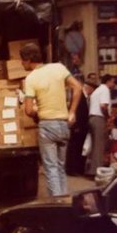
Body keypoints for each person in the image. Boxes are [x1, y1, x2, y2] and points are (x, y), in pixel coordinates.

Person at [21, 43, 82, 196]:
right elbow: (78, 87)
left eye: (22, 60)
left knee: (51, 168)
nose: (22, 64)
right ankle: (64, 200)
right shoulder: (59, 68)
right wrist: (72, 112)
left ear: (29, 60)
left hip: (47, 125)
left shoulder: (31, 79)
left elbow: (28, 110)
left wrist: (37, 110)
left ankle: (57, 205)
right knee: (61, 167)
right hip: (63, 124)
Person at [65, 74, 97, 176]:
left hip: (80, 125)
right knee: (75, 148)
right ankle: (72, 169)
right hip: (78, 125)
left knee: (77, 147)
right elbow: (77, 111)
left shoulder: (81, 94)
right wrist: (76, 125)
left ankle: (76, 168)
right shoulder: (79, 95)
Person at [88, 74, 116, 177]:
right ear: (108, 81)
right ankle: (96, 171)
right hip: (99, 118)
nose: (114, 84)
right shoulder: (105, 90)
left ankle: (91, 169)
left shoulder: (97, 90)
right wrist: (108, 117)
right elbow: (103, 106)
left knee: (95, 146)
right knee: (100, 146)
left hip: (92, 117)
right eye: (113, 82)